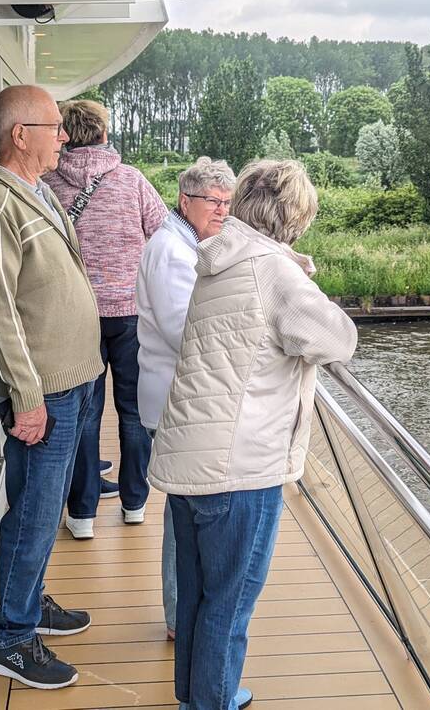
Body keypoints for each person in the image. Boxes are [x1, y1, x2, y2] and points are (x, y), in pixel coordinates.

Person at [148, 159, 358, 710]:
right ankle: (213, 700)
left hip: (192, 457)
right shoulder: (273, 271)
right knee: (231, 602)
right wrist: (303, 276)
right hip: (239, 467)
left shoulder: (218, 259)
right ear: (296, 217)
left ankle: (198, 695)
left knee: (198, 595)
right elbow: (337, 339)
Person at [0, 85, 105, 690]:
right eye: (54, 127)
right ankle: (14, 638)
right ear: (20, 136)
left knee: (43, 512)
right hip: (43, 393)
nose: (64, 137)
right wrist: (25, 396)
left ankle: (30, 599)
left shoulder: (34, 190)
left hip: (72, 382)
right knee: (34, 514)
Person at [41, 100, 166, 539]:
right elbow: (164, 233)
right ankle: (134, 503)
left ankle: (82, 514)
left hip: (76, 316)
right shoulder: (131, 180)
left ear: (65, 136)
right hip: (130, 314)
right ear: (104, 134)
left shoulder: (46, 186)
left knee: (85, 414)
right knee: (133, 411)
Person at [134, 156, 236, 640]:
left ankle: (182, 612)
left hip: (179, 398)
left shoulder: (187, 242)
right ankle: (179, 616)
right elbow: (184, 332)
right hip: (174, 401)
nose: (222, 210)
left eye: (227, 202)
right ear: (184, 200)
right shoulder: (171, 251)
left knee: (185, 512)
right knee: (184, 517)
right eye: (212, 201)